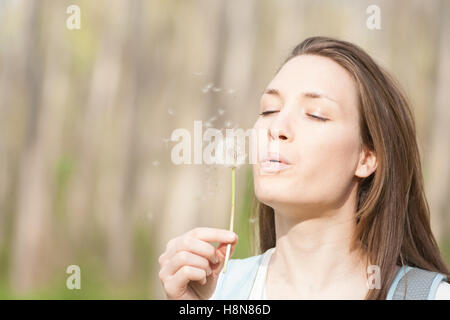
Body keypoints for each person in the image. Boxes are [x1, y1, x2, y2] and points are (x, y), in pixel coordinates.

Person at [158, 36, 450, 300]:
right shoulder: (215, 289)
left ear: (367, 157)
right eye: (269, 110)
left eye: (316, 115)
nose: (277, 127)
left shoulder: (431, 296)